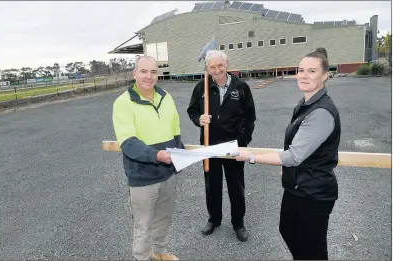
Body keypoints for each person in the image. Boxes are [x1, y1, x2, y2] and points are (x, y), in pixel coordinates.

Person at [235, 47, 340, 260]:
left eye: (311, 71)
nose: (304, 75)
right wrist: (287, 170)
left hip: (313, 193)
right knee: (289, 231)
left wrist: (251, 156)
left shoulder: (321, 112)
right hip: (298, 185)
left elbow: (294, 156)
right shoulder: (306, 104)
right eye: (301, 70)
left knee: (312, 250)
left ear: (325, 76)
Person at [112, 56, 184, 261]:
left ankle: (159, 252)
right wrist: (155, 155)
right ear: (134, 73)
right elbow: (128, 143)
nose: (149, 76)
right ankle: (142, 257)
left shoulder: (165, 96)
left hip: (167, 173)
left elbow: (175, 130)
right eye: (143, 71)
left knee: (164, 218)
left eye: (153, 72)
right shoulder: (123, 103)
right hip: (142, 177)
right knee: (143, 225)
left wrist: (181, 155)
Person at [187, 50, 256, 242]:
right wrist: (198, 119)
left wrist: (242, 141)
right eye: (212, 66)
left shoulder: (240, 87)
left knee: (236, 186)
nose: (217, 70)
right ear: (206, 68)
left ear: (227, 64)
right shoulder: (202, 87)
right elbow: (192, 110)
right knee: (212, 186)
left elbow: (250, 117)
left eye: (220, 65)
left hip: (233, 147)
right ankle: (214, 219)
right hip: (209, 146)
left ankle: (238, 223)